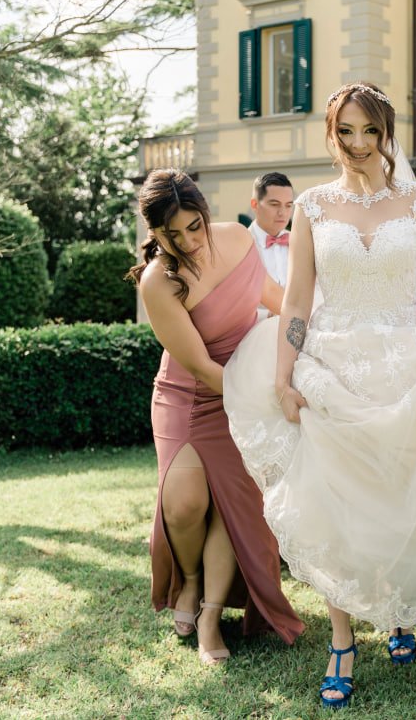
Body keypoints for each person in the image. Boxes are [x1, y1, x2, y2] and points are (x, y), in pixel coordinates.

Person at [222, 82, 416, 709]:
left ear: (387, 135)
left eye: (370, 133)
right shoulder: (311, 206)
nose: (358, 146)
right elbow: (298, 299)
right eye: (346, 133)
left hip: (409, 364)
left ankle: (399, 610)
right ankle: (341, 639)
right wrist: (285, 372)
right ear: (330, 135)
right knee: (337, 504)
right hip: (332, 365)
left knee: (399, 494)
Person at [128, 168, 304, 666]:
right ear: (154, 233)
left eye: (194, 227)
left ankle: (208, 616)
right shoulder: (158, 281)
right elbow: (202, 367)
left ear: (206, 215)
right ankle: (188, 580)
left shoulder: (235, 239)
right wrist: (261, 398)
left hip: (244, 385)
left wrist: (312, 342)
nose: (187, 241)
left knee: (233, 502)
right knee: (184, 504)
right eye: (171, 234)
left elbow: (276, 300)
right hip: (189, 397)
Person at [248, 172, 294, 321]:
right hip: (255, 330)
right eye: (274, 204)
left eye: (288, 206)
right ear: (255, 205)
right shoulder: (241, 245)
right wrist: (266, 315)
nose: (283, 213)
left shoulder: (299, 241)